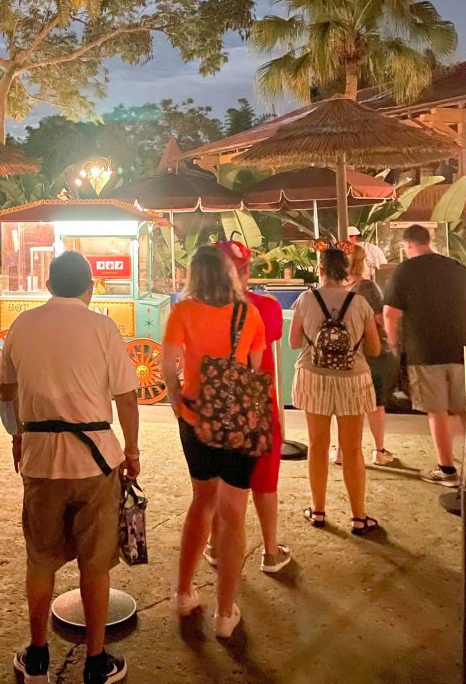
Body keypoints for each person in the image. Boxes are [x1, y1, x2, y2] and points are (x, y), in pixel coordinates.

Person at [0, 250, 140, 684]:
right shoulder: (103, 327)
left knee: (40, 560)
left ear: (48, 286)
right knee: (95, 564)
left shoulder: (22, 326)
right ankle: (96, 662)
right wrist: (131, 452)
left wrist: (19, 435)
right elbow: (127, 397)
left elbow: (6, 392)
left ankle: (38, 657)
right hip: (95, 462)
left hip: (40, 461)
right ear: (90, 286)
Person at [161, 245, 266, 639]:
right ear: (229, 274)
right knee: (234, 513)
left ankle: (184, 593)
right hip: (239, 421)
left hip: (195, 417)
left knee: (202, 503)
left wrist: (177, 403)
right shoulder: (249, 313)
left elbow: (167, 363)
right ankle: (225, 615)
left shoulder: (183, 312)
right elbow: (255, 366)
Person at [204, 241, 290, 574]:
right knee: (264, 482)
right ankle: (270, 551)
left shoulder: (197, 310)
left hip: (215, 407)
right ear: (244, 271)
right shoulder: (266, 308)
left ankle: (214, 545)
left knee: (215, 482)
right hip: (257, 406)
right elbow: (274, 335)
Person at [383, 223, 466, 485]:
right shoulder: (457, 268)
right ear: (429, 240)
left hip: (424, 351)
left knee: (437, 411)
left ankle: (447, 470)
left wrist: (394, 343)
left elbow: (390, 313)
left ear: (408, 245)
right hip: (462, 349)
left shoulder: (405, 271)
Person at [290, 245, 381, 535]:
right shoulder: (360, 303)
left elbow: (293, 342)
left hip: (313, 377)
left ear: (320, 270)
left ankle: (317, 511)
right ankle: (358, 517)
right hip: (352, 379)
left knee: (317, 444)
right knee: (352, 449)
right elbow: (375, 348)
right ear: (346, 269)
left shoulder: (305, 299)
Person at [331, 244, 398, 467]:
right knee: (375, 403)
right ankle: (378, 450)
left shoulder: (338, 287)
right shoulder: (367, 287)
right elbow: (380, 319)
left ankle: (340, 450)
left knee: (345, 404)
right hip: (371, 352)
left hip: (345, 353)